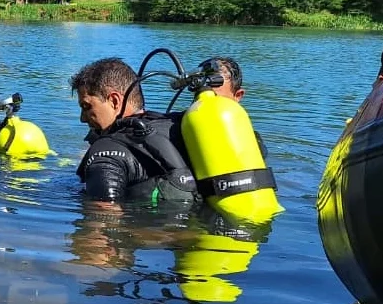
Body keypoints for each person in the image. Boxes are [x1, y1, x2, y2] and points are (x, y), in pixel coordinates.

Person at [71, 58, 198, 203]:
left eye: (87, 107)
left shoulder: (106, 151)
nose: (82, 118)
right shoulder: (178, 126)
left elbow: (103, 220)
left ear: (114, 101)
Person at [200, 56, 268, 158]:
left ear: (238, 96)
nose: (206, 103)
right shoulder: (175, 128)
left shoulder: (251, 141)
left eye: (214, 98)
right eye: (200, 96)